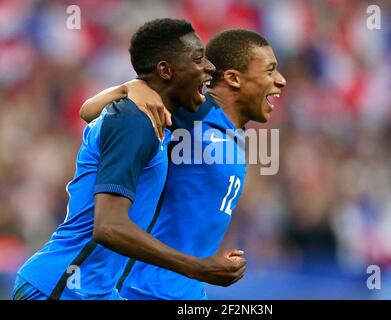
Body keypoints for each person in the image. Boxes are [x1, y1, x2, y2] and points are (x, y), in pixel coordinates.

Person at [13, 19, 246, 300]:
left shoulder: (154, 118)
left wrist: (127, 87)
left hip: (95, 291)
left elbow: (89, 112)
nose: (209, 67)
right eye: (198, 59)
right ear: (166, 70)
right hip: (59, 288)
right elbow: (109, 227)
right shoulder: (133, 122)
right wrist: (196, 268)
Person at [79, 29, 286, 299]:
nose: (280, 81)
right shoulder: (193, 112)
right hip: (140, 290)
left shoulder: (235, 134)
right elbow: (93, 113)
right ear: (234, 78)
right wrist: (132, 87)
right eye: (270, 71)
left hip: (189, 293)